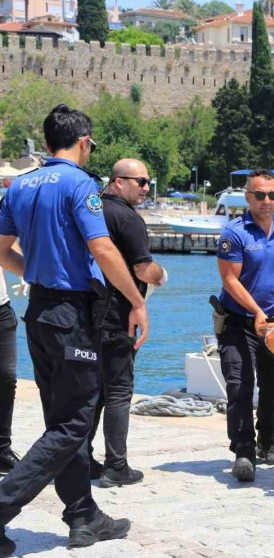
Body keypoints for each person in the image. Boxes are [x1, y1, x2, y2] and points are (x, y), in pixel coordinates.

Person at [0, 103, 149, 557]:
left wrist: (35, 272)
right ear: (84, 142)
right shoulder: (80, 184)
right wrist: (138, 301)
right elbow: (102, 249)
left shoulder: (19, 185)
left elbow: (1, 249)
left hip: (39, 313)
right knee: (75, 422)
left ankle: (83, 514)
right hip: (70, 317)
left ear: (47, 142)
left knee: (61, 418)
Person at [216, 169, 274, 483]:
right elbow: (229, 279)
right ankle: (243, 450)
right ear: (248, 197)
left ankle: (267, 440)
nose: (267, 201)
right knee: (239, 385)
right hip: (238, 322)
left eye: (273, 195)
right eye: (260, 195)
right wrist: (255, 311)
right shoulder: (234, 233)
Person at [88, 159, 167, 488]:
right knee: (118, 391)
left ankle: (80, 457)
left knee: (91, 392)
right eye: (141, 182)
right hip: (119, 314)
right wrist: (162, 276)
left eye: (149, 182)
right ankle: (116, 465)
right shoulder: (127, 218)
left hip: (83, 314)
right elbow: (142, 269)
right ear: (118, 182)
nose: (147, 188)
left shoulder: (90, 211)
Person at [0, 267, 19, 476]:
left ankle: (2, 450)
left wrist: (26, 271)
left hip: (1, 309)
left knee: (6, 379)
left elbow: (7, 244)